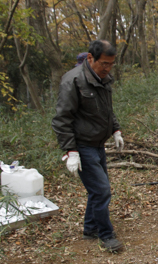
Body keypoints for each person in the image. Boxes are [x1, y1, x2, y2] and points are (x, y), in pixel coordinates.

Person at [51, 40, 125, 253]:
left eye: (111, 64)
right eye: (104, 63)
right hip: (82, 146)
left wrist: (115, 130)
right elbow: (61, 119)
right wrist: (70, 151)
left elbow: (107, 110)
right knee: (102, 191)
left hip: (98, 144)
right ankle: (106, 235)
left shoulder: (104, 79)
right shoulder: (72, 81)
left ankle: (90, 229)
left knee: (96, 190)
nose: (107, 68)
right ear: (90, 58)